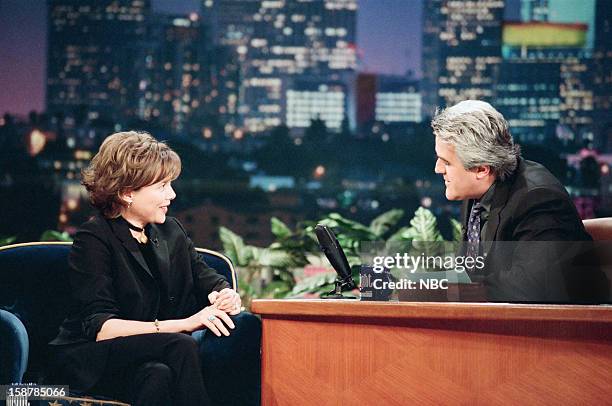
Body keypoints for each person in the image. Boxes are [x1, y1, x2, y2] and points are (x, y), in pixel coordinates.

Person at [49, 131, 261, 405]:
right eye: (162, 186)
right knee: (181, 343)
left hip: (150, 358)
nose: (172, 195)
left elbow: (206, 277)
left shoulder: (171, 231)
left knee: (157, 376)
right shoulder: (94, 237)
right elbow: (102, 328)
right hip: (92, 357)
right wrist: (184, 325)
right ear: (127, 193)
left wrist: (224, 294)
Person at [431, 100, 609, 303]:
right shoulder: (476, 192)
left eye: (446, 162)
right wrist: (432, 285)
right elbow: (471, 271)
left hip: (564, 327)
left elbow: (532, 286)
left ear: (481, 169)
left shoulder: (539, 200)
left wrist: (453, 290)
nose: (438, 169)